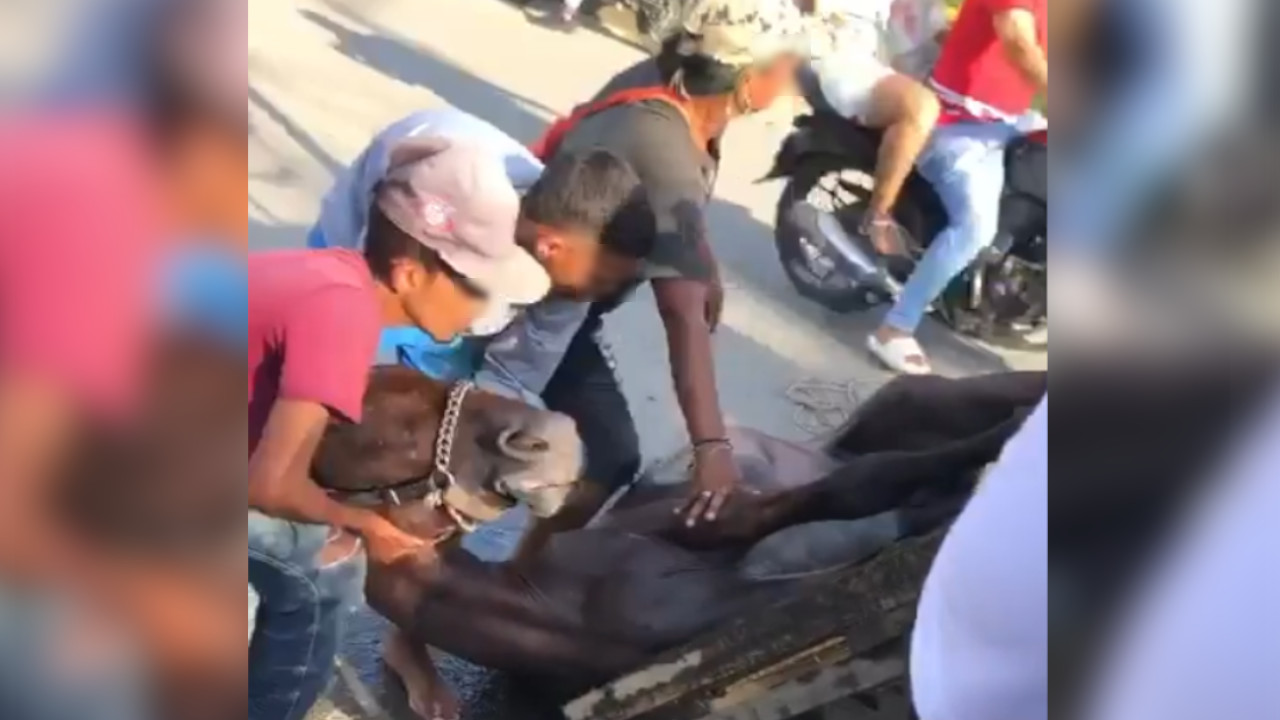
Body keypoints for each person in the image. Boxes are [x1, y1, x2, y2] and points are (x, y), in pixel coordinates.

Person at [248, 138, 551, 720]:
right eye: (476, 289)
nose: (485, 311)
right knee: (330, 568)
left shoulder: (337, 279)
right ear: (411, 273)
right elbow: (269, 485)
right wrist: (368, 524)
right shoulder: (345, 317)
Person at [517, 0, 811, 545]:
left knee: (597, 450)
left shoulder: (675, 89)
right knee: (597, 453)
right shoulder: (664, 142)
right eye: (787, 66)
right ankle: (485, 583)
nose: (795, 78)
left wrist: (703, 260)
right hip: (534, 306)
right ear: (747, 77)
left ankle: (517, 576)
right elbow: (682, 315)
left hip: (565, 295)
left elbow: (678, 210)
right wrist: (712, 448)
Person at [867, 0, 1047, 374]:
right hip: (959, 123)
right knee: (975, 227)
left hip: (1006, 120)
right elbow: (1016, 38)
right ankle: (895, 327)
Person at [806, 0, 943, 255]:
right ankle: (878, 215)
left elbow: (925, 34)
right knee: (919, 107)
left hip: (891, 61)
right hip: (844, 59)